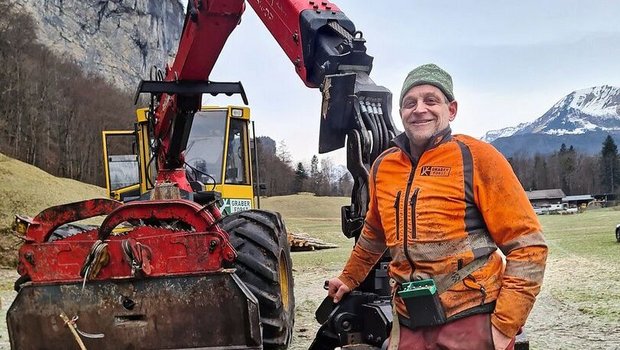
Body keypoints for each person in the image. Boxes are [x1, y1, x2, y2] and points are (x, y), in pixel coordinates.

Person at [326, 63, 548, 350]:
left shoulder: (477, 158)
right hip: (409, 319)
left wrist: (504, 327)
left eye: (431, 100)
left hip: (470, 316)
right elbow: (374, 234)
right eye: (410, 103)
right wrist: (348, 278)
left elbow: (529, 246)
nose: (419, 109)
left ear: (451, 110)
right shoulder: (384, 166)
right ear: (401, 113)